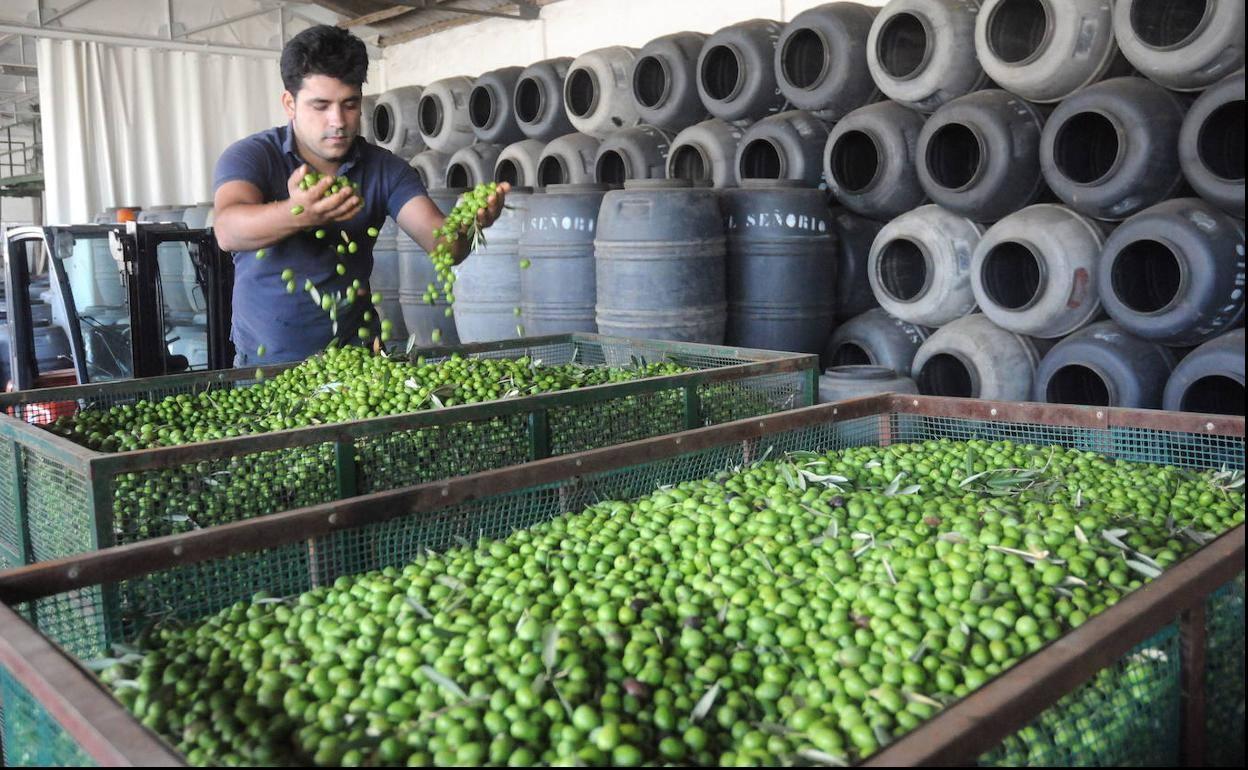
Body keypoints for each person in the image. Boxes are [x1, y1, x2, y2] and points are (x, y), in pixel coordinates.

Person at [212, 24, 507, 365]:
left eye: (350, 104)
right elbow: (227, 231)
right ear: (290, 103)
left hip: (356, 364)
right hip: (265, 365)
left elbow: (444, 247)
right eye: (321, 106)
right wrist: (300, 213)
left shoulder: (385, 169)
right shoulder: (254, 156)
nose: (338, 121)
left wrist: (471, 224)